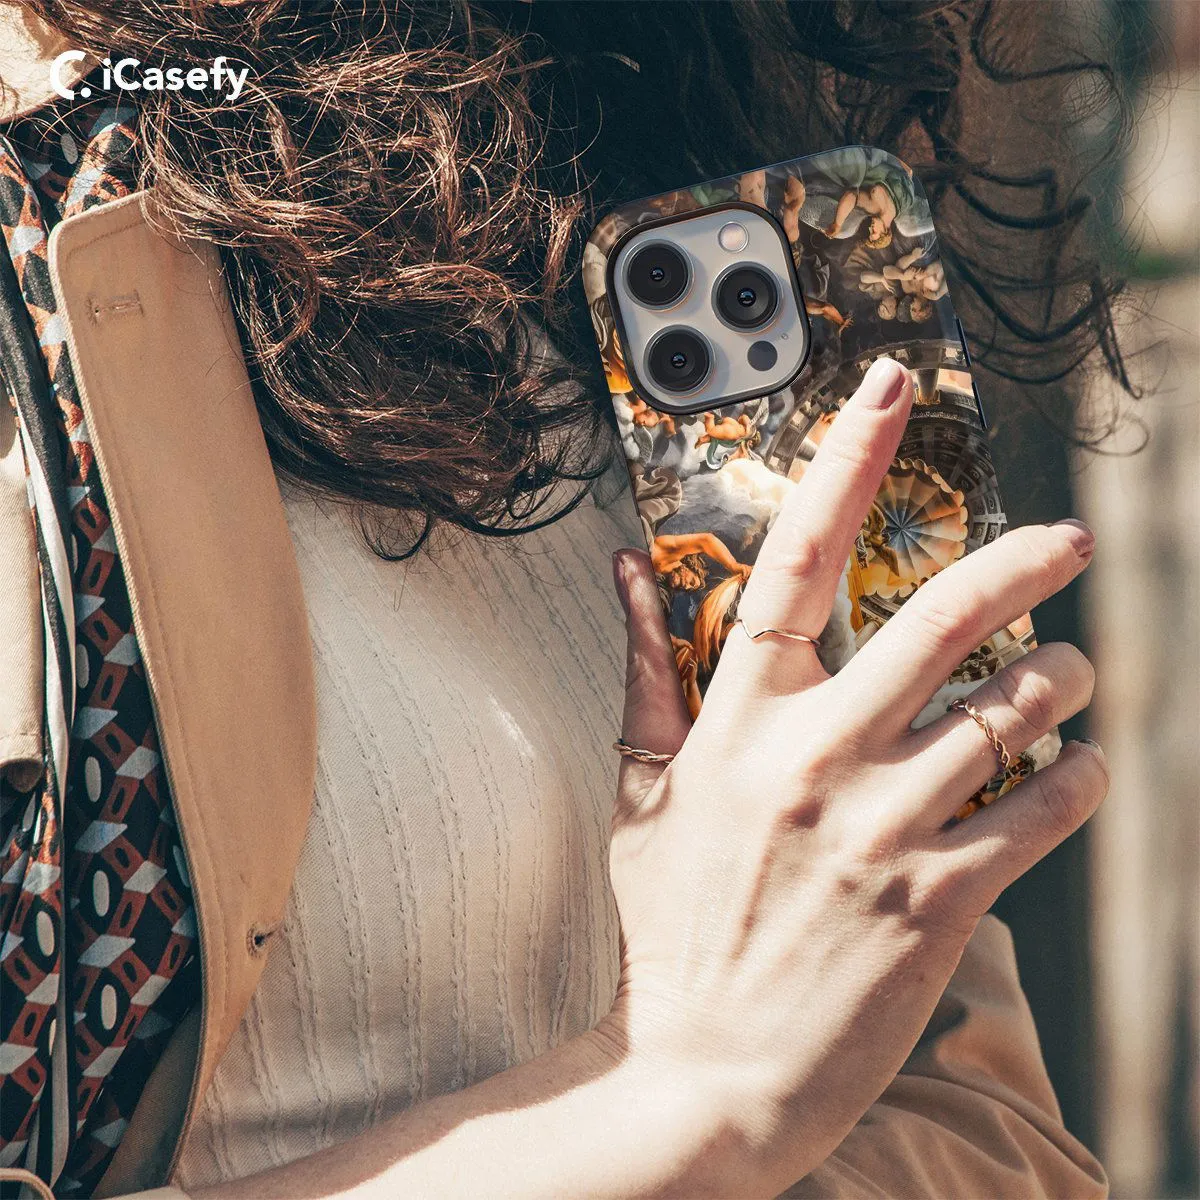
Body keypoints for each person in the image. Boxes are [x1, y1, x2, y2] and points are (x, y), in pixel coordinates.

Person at [1, 2, 1131, 1196]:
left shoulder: (649, 173)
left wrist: (740, 1089)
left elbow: (990, 1137)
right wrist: (683, 1090)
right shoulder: (47, 256)